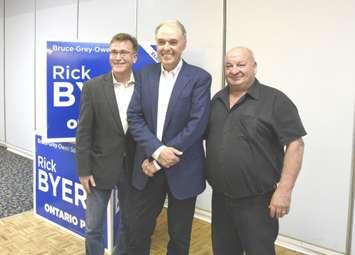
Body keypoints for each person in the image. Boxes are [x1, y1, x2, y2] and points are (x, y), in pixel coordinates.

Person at [206, 47, 306, 255]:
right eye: (229, 65)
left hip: (258, 202)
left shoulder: (275, 100)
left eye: (241, 64)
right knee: (224, 251)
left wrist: (284, 190)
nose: (234, 70)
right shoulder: (216, 100)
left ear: (254, 67)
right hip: (221, 199)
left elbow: (295, 144)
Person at [127, 20, 211, 254]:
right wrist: (157, 152)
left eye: (173, 42)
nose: (167, 47)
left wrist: (160, 158)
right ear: (156, 45)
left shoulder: (200, 78)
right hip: (147, 168)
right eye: (161, 42)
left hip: (183, 169)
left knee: (180, 236)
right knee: (139, 230)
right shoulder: (143, 75)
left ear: (183, 44)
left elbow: (197, 124)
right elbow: (134, 117)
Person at [75, 33, 137, 255]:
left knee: (130, 225)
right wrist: (83, 170)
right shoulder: (93, 87)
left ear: (135, 57)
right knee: (92, 228)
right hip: (99, 168)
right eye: (114, 52)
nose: (118, 57)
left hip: (133, 168)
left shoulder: (145, 87)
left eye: (124, 52)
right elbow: (83, 132)